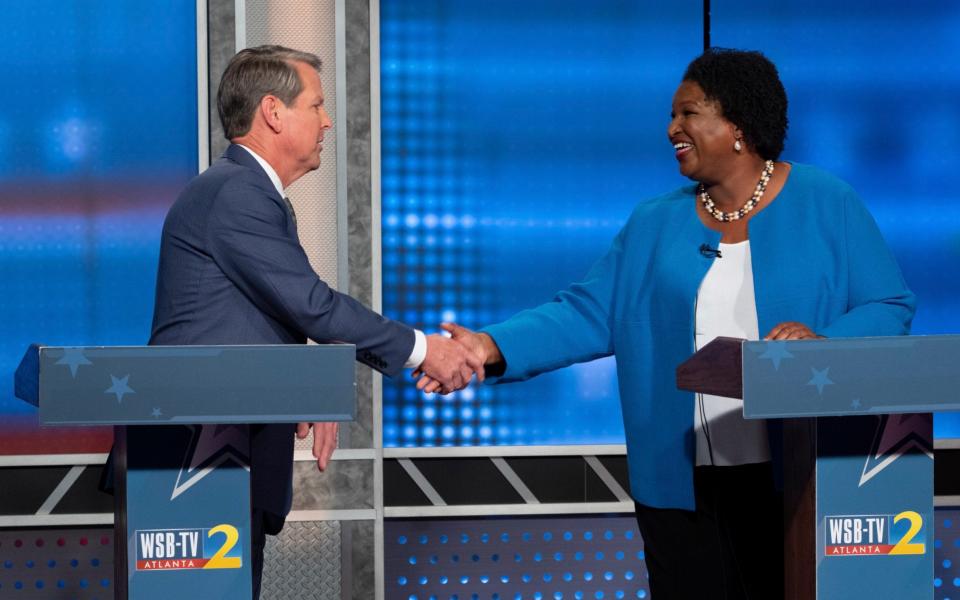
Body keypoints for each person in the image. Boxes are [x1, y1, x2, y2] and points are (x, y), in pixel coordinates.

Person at [422, 48, 916, 599]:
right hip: (680, 486)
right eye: (672, 116)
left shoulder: (827, 203)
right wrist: (491, 346)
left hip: (797, 479)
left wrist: (821, 345)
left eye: (688, 114)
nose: (671, 129)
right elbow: (587, 311)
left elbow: (889, 305)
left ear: (737, 125)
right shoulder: (655, 222)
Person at [149, 45, 483, 597]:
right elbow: (313, 305)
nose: (329, 120)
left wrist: (312, 384)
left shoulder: (251, 194)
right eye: (317, 105)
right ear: (274, 112)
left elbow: (260, 315)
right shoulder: (237, 192)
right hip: (195, 466)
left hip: (222, 460)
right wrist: (428, 351)